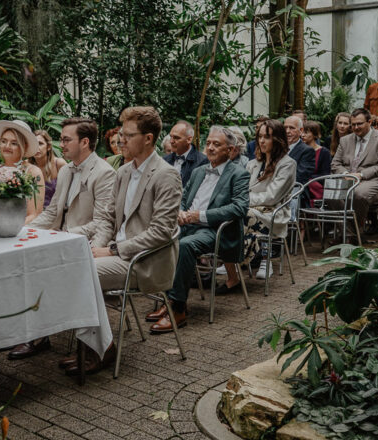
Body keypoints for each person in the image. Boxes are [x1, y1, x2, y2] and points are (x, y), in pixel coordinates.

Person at [6, 117, 116, 363]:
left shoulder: (105, 173)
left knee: (59, 271)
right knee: (23, 261)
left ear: (85, 142)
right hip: (59, 239)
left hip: (81, 242)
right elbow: (52, 212)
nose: (61, 143)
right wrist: (23, 230)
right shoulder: (66, 169)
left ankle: (96, 346)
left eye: (66, 139)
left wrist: (79, 243)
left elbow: (102, 221)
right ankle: (34, 334)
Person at [87, 107, 182, 374]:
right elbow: (107, 218)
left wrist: (113, 249)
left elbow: (162, 231)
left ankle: (100, 348)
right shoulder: (124, 172)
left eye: (128, 135)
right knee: (72, 265)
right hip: (116, 255)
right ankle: (94, 343)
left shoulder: (166, 175)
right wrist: (98, 246)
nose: (120, 141)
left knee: (82, 274)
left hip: (146, 261)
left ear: (149, 139)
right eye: (120, 134)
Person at [147, 127, 249, 333]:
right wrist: (181, 213)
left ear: (230, 150)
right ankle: (166, 300)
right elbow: (183, 199)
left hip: (215, 229)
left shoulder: (239, 174)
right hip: (187, 224)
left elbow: (239, 207)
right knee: (161, 239)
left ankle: (178, 309)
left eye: (216, 144)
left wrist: (199, 216)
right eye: (208, 143)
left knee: (184, 246)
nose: (210, 147)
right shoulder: (198, 171)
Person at [239, 119, 296, 283]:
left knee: (241, 212)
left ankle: (264, 260)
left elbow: (272, 197)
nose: (261, 141)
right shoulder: (253, 164)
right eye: (260, 136)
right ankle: (231, 260)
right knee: (233, 212)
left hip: (274, 214)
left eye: (267, 137)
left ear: (277, 139)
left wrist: (244, 201)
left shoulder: (287, 164)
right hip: (252, 209)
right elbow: (241, 189)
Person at [331, 108, 378, 233]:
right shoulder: (345, 140)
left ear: (369, 122)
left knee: (358, 194)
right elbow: (335, 163)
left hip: (376, 181)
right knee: (331, 193)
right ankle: (348, 233)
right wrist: (346, 174)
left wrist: (360, 175)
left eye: (359, 124)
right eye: (353, 124)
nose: (355, 127)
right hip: (348, 180)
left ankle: (355, 232)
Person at [0, 120, 45, 223]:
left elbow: (35, 214)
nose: (7, 146)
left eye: (14, 143)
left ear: (24, 147)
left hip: (22, 230)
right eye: (3, 141)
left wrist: (9, 229)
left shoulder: (33, 172)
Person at [164, 120, 207, 187]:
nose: (171, 141)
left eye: (176, 138)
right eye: (171, 137)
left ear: (189, 139)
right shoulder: (165, 160)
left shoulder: (202, 161)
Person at [32, 129, 67, 210]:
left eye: (40, 144)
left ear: (48, 147)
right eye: (34, 144)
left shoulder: (59, 164)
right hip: (33, 214)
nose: (36, 148)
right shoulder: (27, 166)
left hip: (57, 214)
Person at [301, 120, 332, 203]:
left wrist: (308, 179)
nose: (303, 135)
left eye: (306, 132)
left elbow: (325, 174)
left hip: (316, 185)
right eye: (302, 132)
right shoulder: (300, 151)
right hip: (301, 184)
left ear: (314, 134)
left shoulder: (324, 152)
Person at [284, 115, 316, 186]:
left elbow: (300, 178)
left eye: (292, 128)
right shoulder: (277, 148)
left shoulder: (307, 151)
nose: (287, 131)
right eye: (285, 128)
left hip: (296, 191)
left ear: (301, 130)